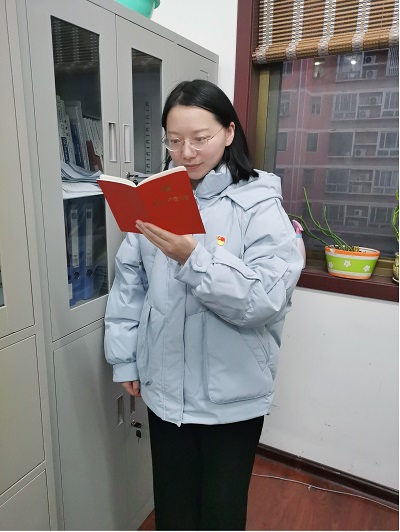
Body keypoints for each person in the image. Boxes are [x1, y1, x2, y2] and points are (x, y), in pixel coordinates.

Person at [104, 79, 303, 531]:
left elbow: (267, 298)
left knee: (221, 513)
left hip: (231, 395)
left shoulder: (259, 204)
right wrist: (125, 359)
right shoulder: (154, 198)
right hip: (163, 387)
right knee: (173, 508)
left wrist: (193, 258)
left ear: (229, 132)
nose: (187, 153)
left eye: (200, 138)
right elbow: (130, 285)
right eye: (174, 141)